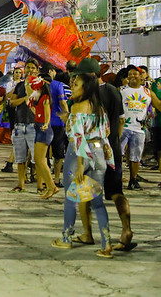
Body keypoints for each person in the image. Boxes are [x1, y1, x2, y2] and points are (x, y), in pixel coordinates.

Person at [74, 58, 136, 252]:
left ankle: (89, 234)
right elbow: (120, 121)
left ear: (91, 76)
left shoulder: (90, 97)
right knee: (117, 192)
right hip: (112, 150)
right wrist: (113, 143)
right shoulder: (114, 91)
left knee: (87, 194)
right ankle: (126, 230)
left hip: (94, 151)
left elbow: (81, 131)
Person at [51, 70, 113, 259]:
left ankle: (66, 238)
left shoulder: (79, 107)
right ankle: (107, 244)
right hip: (99, 154)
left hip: (79, 155)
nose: (72, 88)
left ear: (85, 88)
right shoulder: (99, 107)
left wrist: (79, 165)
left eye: (76, 85)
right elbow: (106, 133)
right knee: (98, 203)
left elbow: (78, 138)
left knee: (71, 199)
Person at [7, 59, 39, 192]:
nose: (30, 70)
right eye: (28, 67)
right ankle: (21, 184)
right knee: (20, 158)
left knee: (38, 158)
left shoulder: (41, 85)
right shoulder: (19, 86)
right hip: (19, 125)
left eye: (33, 68)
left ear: (37, 70)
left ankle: (40, 185)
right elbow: (11, 102)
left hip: (34, 125)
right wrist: (25, 99)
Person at [120, 65, 151, 190]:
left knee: (136, 157)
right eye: (130, 74)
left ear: (141, 76)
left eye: (135, 74)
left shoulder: (147, 92)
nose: (132, 76)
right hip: (123, 128)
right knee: (117, 154)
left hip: (139, 129)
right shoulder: (121, 90)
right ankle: (116, 179)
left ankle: (133, 180)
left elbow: (158, 104)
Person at [30, 74, 58, 198]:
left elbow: (47, 114)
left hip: (43, 129)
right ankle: (50, 186)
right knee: (38, 160)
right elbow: (39, 112)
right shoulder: (40, 98)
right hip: (39, 126)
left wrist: (46, 123)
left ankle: (52, 186)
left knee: (41, 160)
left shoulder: (46, 97)